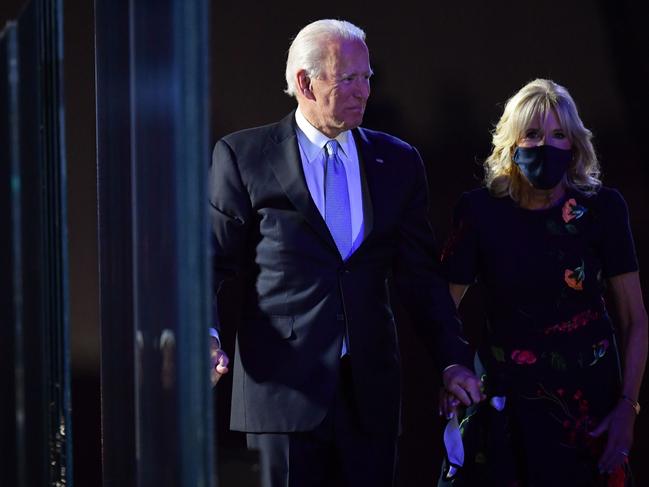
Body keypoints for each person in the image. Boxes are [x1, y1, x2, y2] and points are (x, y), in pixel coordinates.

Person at [208, 18, 483, 487]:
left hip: (370, 396)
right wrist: (207, 336)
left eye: (367, 78)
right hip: (281, 395)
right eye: (348, 79)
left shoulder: (397, 162)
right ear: (304, 83)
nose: (363, 92)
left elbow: (419, 277)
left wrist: (452, 358)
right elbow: (209, 261)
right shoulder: (245, 156)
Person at [438, 78, 648, 486]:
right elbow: (444, 307)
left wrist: (628, 408)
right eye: (532, 134)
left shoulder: (603, 209)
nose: (545, 145)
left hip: (588, 403)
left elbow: (635, 318)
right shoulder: (480, 211)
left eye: (558, 135)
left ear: (574, 145)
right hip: (503, 399)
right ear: (512, 143)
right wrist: (450, 369)